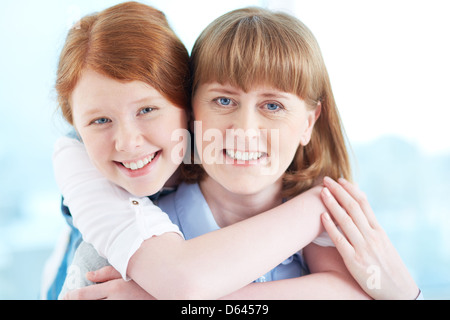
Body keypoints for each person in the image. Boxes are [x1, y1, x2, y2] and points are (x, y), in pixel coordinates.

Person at [54, 4, 421, 300]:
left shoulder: (343, 242)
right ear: (192, 108)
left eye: (273, 106)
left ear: (309, 123)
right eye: (224, 100)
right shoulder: (119, 258)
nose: (245, 130)